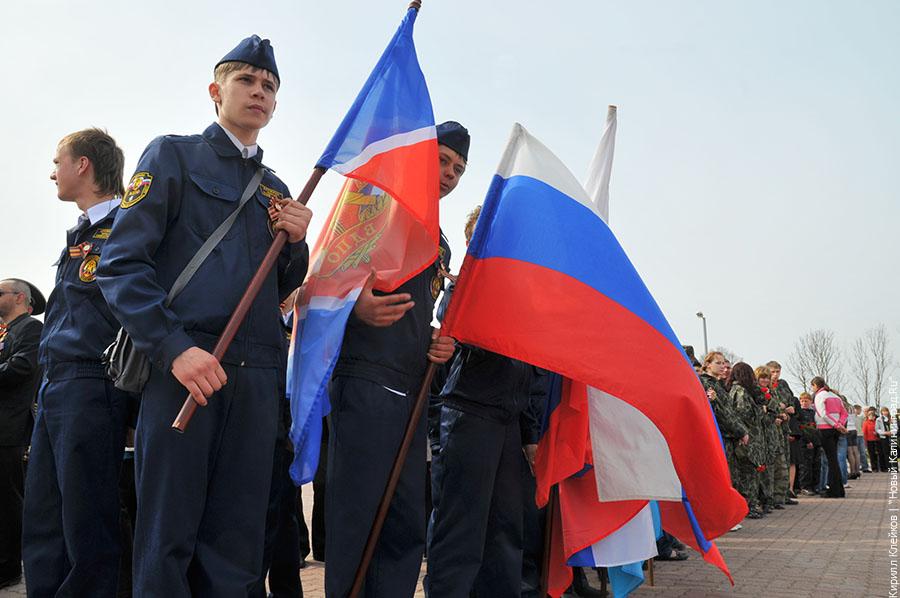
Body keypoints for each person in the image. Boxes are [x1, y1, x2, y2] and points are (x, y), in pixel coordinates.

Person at [97, 35, 313, 595]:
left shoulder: (277, 190)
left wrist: (295, 241)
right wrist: (173, 349)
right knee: (168, 536)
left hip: (258, 375)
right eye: (246, 80)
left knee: (238, 542)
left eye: (269, 86)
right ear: (216, 91)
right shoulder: (172, 155)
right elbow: (120, 265)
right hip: (187, 364)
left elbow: (282, 289)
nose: (259, 92)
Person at [324, 121, 467, 598]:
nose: (449, 173)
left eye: (459, 169)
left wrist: (434, 343)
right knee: (359, 515)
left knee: (404, 520)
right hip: (364, 379)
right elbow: (321, 283)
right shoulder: (375, 203)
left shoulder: (439, 240)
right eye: (443, 160)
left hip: (411, 387)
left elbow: (413, 313)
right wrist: (355, 306)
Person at [21, 129, 132, 597]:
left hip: (93, 381)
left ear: (82, 165)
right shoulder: (80, 233)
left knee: (87, 518)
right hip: (56, 385)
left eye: (58, 161)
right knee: (44, 515)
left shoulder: (129, 227)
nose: (53, 172)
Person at [0, 278, 45, 588]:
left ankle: (8, 566)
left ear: (19, 297)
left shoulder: (30, 328)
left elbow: (21, 369)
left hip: (9, 426)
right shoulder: (9, 332)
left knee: (7, 500)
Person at [699, 352, 748, 486]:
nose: (722, 366)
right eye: (718, 363)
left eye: (723, 363)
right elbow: (721, 414)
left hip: (729, 435)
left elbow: (730, 411)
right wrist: (741, 431)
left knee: (732, 476)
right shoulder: (705, 383)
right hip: (720, 435)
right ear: (708, 365)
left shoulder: (718, 384)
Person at [727, 362, 767, 519]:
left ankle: (748, 505)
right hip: (747, 438)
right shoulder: (742, 392)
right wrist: (760, 411)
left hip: (744, 437)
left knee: (746, 474)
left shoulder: (734, 390)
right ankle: (748, 506)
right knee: (748, 474)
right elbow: (744, 415)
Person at [756, 366, 788, 509]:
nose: (765, 380)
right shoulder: (756, 393)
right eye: (762, 377)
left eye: (767, 378)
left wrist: (782, 415)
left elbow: (778, 408)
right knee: (767, 471)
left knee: (781, 468)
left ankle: (778, 498)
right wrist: (774, 415)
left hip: (776, 435)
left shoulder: (772, 392)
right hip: (764, 436)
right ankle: (766, 500)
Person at [768, 361, 800, 501]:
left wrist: (789, 407)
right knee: (775, 463)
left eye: (778, 371)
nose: (775, 375)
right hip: (773, 427)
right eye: (773, 372)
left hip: (785, 428)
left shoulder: (783, 384)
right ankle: (774, 496)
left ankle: (785, 493)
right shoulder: (764, 386)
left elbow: (791, 401)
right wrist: (781, 409)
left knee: (786, 461)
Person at [811, 377, 848, 498]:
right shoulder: (835, 396)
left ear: (815, 385)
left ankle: (834, 490)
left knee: (831, 460)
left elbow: (823, 414)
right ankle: (838, 489)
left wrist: (837, 425)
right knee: (833, 460)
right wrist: (840, 425)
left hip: (825, 429)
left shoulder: (819, 396)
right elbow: (844, 413)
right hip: (835, 430)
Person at [796, 392, 819, 494]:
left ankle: (815, 485)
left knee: (815, 464)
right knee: (805, 466)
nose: (804, 403)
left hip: (815, 441)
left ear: (811, 401)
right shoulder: (799, 413)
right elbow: (801, 428)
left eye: (806, 401)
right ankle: (804, 486)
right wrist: (807, 441)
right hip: (804, 442)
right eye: (802, 401)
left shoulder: (813, 413)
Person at [879, 406, 894, 471]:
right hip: (884, 437)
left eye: (886, 411)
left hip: (892, 437)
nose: (885, 412)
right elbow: (877, 429)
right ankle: (888, 467)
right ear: (881, 412)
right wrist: (884, 433)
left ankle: (893, 467)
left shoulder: (891, 419)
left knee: (893, 452)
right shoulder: (879, 419)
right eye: (883, 411)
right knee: (886, 453)